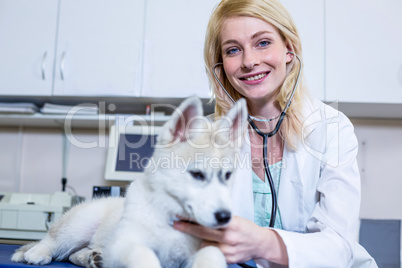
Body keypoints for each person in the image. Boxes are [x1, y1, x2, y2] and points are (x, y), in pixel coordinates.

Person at [173, 0, 378, 267]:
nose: (249, 61)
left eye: (263, 43)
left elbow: (338, 246)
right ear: (221, 65)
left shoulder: (332, 129)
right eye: (233, 50)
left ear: (289, 50)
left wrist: (262, 242)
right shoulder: (205, 139)